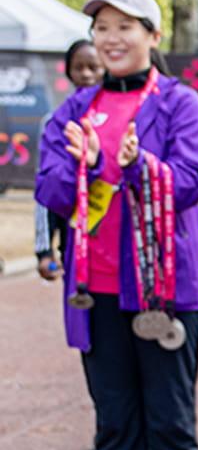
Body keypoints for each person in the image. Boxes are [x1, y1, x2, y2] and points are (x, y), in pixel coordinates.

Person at [35, 0, 198, 450]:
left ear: (152, 37)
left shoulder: (179, 103)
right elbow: (51, 191)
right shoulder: (72, 112)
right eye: (102, 28)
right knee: (115, 419)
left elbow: (191, 182)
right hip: (95, 288)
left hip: (164, 288)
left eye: (124, 27)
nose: (110, 39)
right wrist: (82, 167)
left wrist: (139, 164)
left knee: (169, 416)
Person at [34, 39, 104, 281]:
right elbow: (45, 189)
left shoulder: (125, 117)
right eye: (79, 67)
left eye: (93, 67)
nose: (86, 74)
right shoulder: (56, 123)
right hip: (74, 242)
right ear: (68, 71)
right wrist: (44, 250)